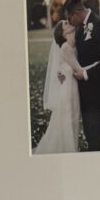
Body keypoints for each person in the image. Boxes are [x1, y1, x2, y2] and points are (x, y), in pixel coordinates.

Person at [61, 0, 100, 151]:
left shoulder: (99, 24)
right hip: (84, 91)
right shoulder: (79, 28)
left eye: (69, 17)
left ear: (77, 12)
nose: (69, 21)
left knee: (95, 133)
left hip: (97, 89)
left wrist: (85, 74)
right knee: (90, 134)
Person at [33, 15, 86, 154]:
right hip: (68, 91)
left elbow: (62, 67)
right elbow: (78, 69)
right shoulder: (66, 47)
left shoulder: (72, 45)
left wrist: (60, 71)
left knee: (72, 120)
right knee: (68, 120)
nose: (69, 23)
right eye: (66, 24)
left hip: (72, 88)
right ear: (63, 33)